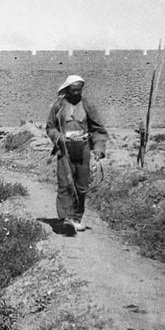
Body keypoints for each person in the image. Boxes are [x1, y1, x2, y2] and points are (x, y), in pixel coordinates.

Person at [45, 75, 109, 234]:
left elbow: (98, 129)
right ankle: (65, 219)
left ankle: (76, 217)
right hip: (64, 150)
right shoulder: (58, 106)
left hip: (83, 149)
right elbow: (50, 127)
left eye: (78, 90)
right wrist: (57, 137)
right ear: (67, 90)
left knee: (81, 186)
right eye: (72, 90)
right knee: (65, 184)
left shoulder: (88, 105)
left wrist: (99, 148)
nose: (75, 93)